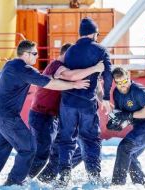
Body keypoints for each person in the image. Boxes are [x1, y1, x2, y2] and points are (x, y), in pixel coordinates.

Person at [0, 40, 90, 187]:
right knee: (29, 149)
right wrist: (74, 84)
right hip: (7, 117)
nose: (37, 56)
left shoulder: (11, 65)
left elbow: (44, 79)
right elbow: (49, 83)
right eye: (35, 53)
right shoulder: (23, 68)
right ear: (26, 54)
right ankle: (14, 183)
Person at [28, 43, 104, 182]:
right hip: (42, 115)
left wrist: (103, 99)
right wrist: (94, 68)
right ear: (66, 55)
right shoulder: (56, 65)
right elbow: (71, 76)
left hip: (56, 116)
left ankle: (47, 178)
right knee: (42, 154)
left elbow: (96, 86)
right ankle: (24, 180)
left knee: (67, 151)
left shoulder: (72, 67)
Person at [57, 17, 113, 186]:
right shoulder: (101, 50)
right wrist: (107, 98)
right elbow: (108, 75)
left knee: (66, 139)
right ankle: (94, 176)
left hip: (67, 101)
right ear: (94, 33)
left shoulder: (70, 51)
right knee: (90, 139)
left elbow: (63, 73)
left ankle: (64, 176)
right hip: (87, 103)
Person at [106, 67, 145, 185]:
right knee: (129, 156)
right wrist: (117, 124)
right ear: (115, 82)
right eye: (119, 83)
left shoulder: (138, 91)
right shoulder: (116, 93)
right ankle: (142, 184)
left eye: (125, 81)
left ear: (128, 77)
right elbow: (122, 115)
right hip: (138, 128)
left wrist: (129, 115)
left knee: (124, 148)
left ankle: (117, 184)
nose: (123, 85)